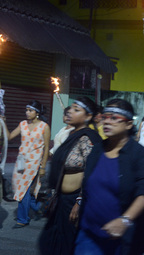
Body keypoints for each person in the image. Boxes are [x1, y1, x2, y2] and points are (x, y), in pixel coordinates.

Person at [74, 98, 144, 255]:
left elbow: (143, 194)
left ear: (129, 124)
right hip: (88, 233)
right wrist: (79, 201)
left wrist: (125, 220)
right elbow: (89, 183)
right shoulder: (97, 150)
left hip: (122, 239)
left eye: (114, 118)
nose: (107, 122)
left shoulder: (139, 154)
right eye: (104, 117)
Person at [38, 97, 102, 255]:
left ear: (88, 117)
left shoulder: (87, 138)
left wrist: (79, 202)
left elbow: (93, 172)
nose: (70, 111)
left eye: (76, 110)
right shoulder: (70, 133)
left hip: (75, 201)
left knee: (70, 243)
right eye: (71, 108)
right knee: (51, 241)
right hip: (61, 199)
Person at [1, 100, 50, 228]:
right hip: (21, 162)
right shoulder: (22, 124)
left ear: (37, 112)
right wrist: (3, 122)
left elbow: (46, 149)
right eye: (26, 110)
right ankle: (42, 207)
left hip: (34, 163)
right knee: (21, 188)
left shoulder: (44, 127)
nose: (27, 113)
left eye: (30, 110)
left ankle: (22, 219)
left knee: (24, 190)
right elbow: (9, 136)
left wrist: (43, 167)